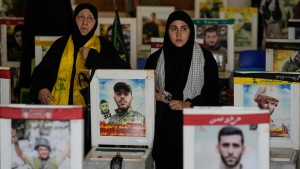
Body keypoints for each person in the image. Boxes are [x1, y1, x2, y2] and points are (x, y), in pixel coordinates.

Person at [30, 3, 131, 155]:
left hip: (93, 120)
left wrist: (93, 57)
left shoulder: (103, 46)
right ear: (74, 20)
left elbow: (123, 73)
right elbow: (39, 72)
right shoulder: (61, 44)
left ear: (95, 22)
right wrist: (42, 88)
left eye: (90, 18)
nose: (85, 23)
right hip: (60, 116)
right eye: (80, 17)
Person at [144, 11, 219, 169]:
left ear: (190, 31)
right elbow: (142, 93)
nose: (179, 34)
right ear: (167, 32)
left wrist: (188, 104)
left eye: (183, 28)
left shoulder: (206, 59)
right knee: (166, 117)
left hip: (194, 118)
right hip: (163, 120)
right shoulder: (155, 59)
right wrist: (153, 97)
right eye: (173, 29)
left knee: (176, 120)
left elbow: (212, 96)